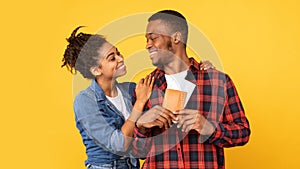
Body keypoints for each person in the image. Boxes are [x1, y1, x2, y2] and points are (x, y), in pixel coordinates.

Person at [132, 10, 251, 169]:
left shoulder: (217, 82)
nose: (147, 45)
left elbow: (243, 133)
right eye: (146, 40)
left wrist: (209, 128)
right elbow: (138, 153)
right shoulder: (146, 87)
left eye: (153, 38)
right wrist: (140, 125)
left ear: (176, 37)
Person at [61, 26, 154, 169]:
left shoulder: (130, 90)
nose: (121, 59)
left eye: (119, 53)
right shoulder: (85, 101)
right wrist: (139, 103)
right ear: (96, 70)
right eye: (112, 58)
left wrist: (198, 67)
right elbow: (119, 145)